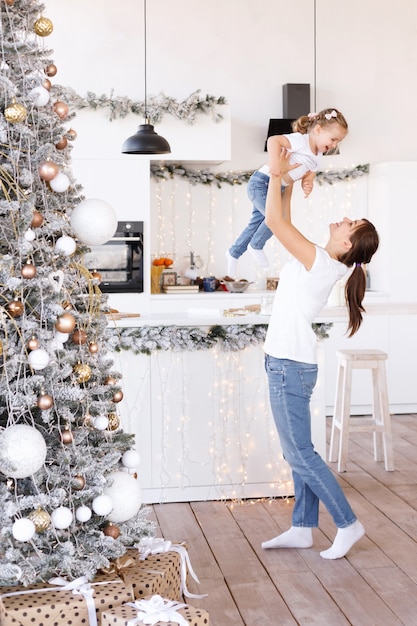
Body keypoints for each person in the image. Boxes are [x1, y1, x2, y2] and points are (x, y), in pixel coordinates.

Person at [261, 148, 379, 560]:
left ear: (347, 241)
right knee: (298, 452)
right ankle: (302, 527)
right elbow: (285, 220)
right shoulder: (323, 260)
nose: (344, 218)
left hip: (288, 368)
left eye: (351, 222)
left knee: (300, 454)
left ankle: (348, 524)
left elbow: (274, 222)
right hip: (288, 365)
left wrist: (278, 171)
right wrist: (290, 179)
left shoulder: (321, 264)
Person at [226, 108, 348, 277]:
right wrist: (275, 164)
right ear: (318, 130)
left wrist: (308, 183)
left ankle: (234, 253)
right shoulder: (300, 141)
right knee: (277, 219)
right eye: (333, 139)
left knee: (256, 224)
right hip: (262, 183)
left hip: (277, 189)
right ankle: (256, 244)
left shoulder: (319, 155)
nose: (334, 145)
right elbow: (274, 140)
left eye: (338, 142)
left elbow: (310, 173)